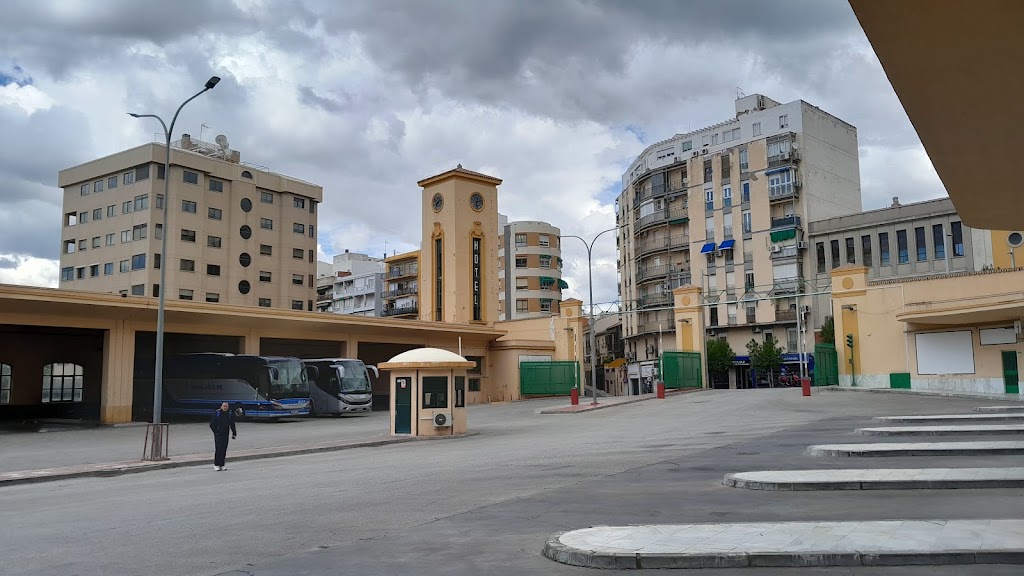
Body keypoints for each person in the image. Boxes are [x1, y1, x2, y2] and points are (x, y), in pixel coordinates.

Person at [209, 402, 237, 471]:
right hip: (218, 434)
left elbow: (232, 424)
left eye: (226, 406)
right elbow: (212, 424)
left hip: (225, 434)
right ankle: (216, 464)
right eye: (224, 406)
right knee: (218, 449)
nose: (225, 407)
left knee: (224, 449)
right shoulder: (217, 413)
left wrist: (234, 433)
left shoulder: (229, 414)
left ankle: (222, 464)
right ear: (221, 407)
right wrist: (216, 432)